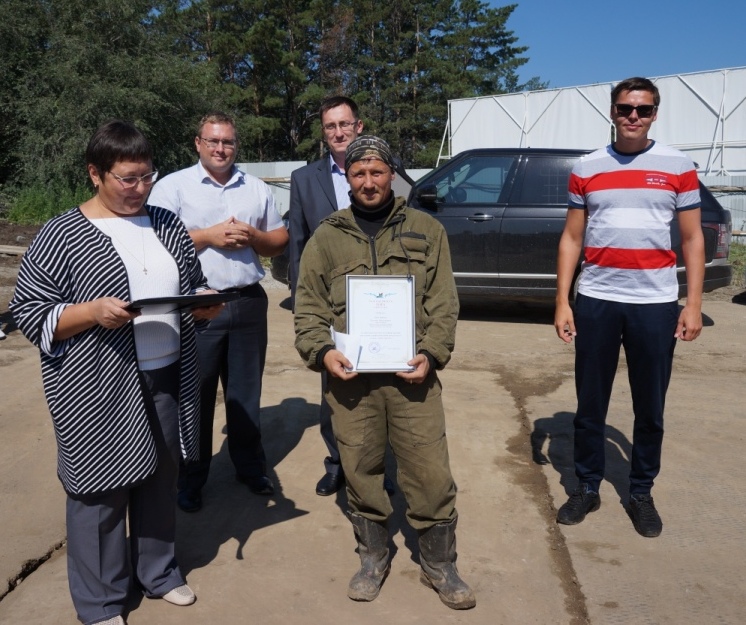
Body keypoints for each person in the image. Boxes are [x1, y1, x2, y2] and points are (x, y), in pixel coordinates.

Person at [10, 120, 222, 624]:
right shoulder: (62, 234)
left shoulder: (167, 224)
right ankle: (101, 601)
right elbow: (29, 311)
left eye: (147, 176)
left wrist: (204, 302)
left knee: (161, 478)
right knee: (99, 489)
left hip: (167, 375)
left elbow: (191, 283)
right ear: (95, 173)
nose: (140, 188)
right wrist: (89, 312)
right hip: (96, 384)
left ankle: (159, 572)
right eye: (127, 178)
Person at [294, 135, 476, 609]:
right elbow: (308, 308)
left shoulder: (426, 229)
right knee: (359, 469)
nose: (369, 181)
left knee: (430, 471)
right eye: (359, 173)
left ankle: (440, 564)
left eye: (377, 172)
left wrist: (432, 353)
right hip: (351, 383)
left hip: (413, 377)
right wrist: (322, 353)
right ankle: (373, 556)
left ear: (391, 174)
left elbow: (444, 303)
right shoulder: (327, 237)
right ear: (348, 179)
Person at [554, 77, 705, 538]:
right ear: (612, 112)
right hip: (597, 299)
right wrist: (562, 301)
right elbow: (572, 238)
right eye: (625, 108)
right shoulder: (587, 166)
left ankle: (640, 492)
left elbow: (693, 239)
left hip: (654, 303)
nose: (633, 116)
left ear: (655, 113)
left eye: (643, 109)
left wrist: (692, 304)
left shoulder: (678, 166)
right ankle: (586, 486)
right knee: (590, 404)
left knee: (650, 407)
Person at [148, 112, 288, 513]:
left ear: (235, 144)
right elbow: (154, 241)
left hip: (247, 300)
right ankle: (190, 478)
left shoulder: (255, 187)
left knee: (246, 393)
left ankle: (250, 468)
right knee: (196, 395)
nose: (220, 148)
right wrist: (208, 236)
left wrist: (255, 236)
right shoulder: (173, 187)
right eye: (213, 141)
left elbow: (278, 238)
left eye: (227, 141)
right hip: (198, 305)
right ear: (198, 143)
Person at [288, 96, 395, 496]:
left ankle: (379, 467)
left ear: (358, 126)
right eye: (330, 126)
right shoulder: (304, 179)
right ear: (324, 132)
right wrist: (302, 303)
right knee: (334, 385)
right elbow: (297, 244)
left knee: (382, 386)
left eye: (344, 124)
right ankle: (337, 463)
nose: (338, 132)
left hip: (379, 300)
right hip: (331, 303)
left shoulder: (387, 170)